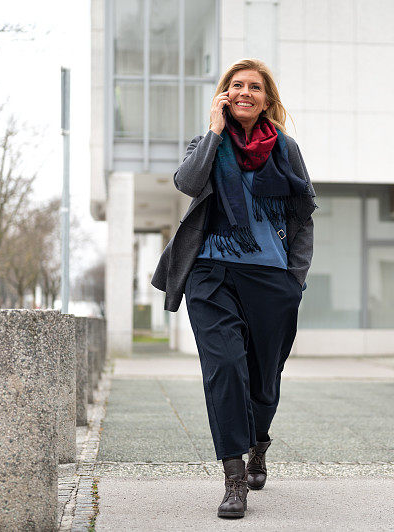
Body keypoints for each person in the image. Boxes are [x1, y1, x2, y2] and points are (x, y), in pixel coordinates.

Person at [150, 58, 317, 518]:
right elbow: (187, 182)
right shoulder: (206, 144)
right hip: (211, 274)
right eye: (236, 86)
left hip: (271, 278)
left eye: (254, 87)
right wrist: (214, 131)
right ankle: (234, 476)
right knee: (225, 368)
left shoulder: (285, 148)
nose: (245, 92)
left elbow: (303, 215)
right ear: (224, 94)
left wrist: (294, 279)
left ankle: (259, 443)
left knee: (264, 379)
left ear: (267, 99)